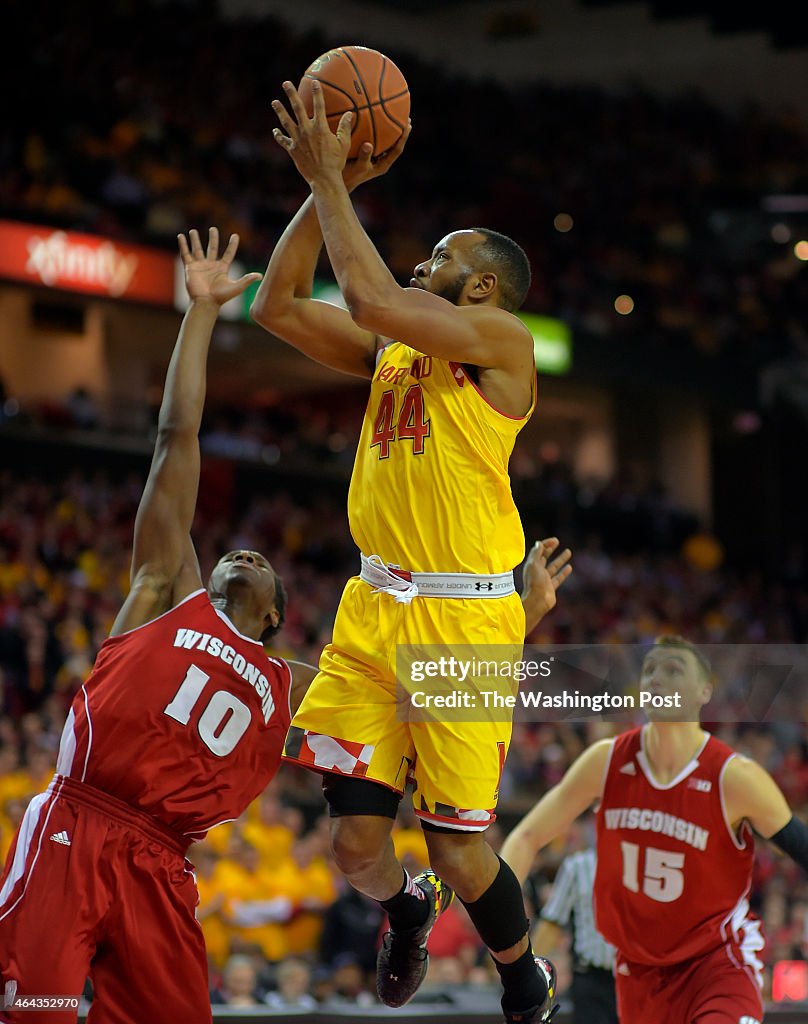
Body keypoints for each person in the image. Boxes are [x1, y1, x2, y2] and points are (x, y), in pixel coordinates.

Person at [251, 78, 572, 1024]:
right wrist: (323, 189)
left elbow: (367, 293)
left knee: (462, 849)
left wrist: (332, 177)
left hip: (462, 624)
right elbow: (276, 305)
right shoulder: (394, 350)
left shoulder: (500, 342)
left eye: (441, 255)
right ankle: (404, 908)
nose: (423, 259)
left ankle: (524, 979)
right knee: (354, 850)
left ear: (478, 287)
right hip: (372, 611)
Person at [0, 229, 319, 1024]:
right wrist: (201, 314)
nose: (245, 549)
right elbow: (175, 438)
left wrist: (517, 611)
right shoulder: (166, 588)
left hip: (165, 865)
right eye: (235, 550)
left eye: (265, 562)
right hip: (78, 822)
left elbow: (413, 687)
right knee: (32, 1015)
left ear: (275, 615)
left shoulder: (295, 685)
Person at [501, 636, 808, 1024]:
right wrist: (502, 928)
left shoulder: (735, 777)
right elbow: (526, 837)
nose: (656, 678)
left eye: (673, 669)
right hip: (636, 973)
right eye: (649, 670)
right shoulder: (606, 761)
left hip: (714, 968)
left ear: (704, 691)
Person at [531, 843, 617, 1024]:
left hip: (637, 978)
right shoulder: (577, 866)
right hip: (591, 979)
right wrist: (525, 974)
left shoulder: (644, 862)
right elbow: (551, 922)